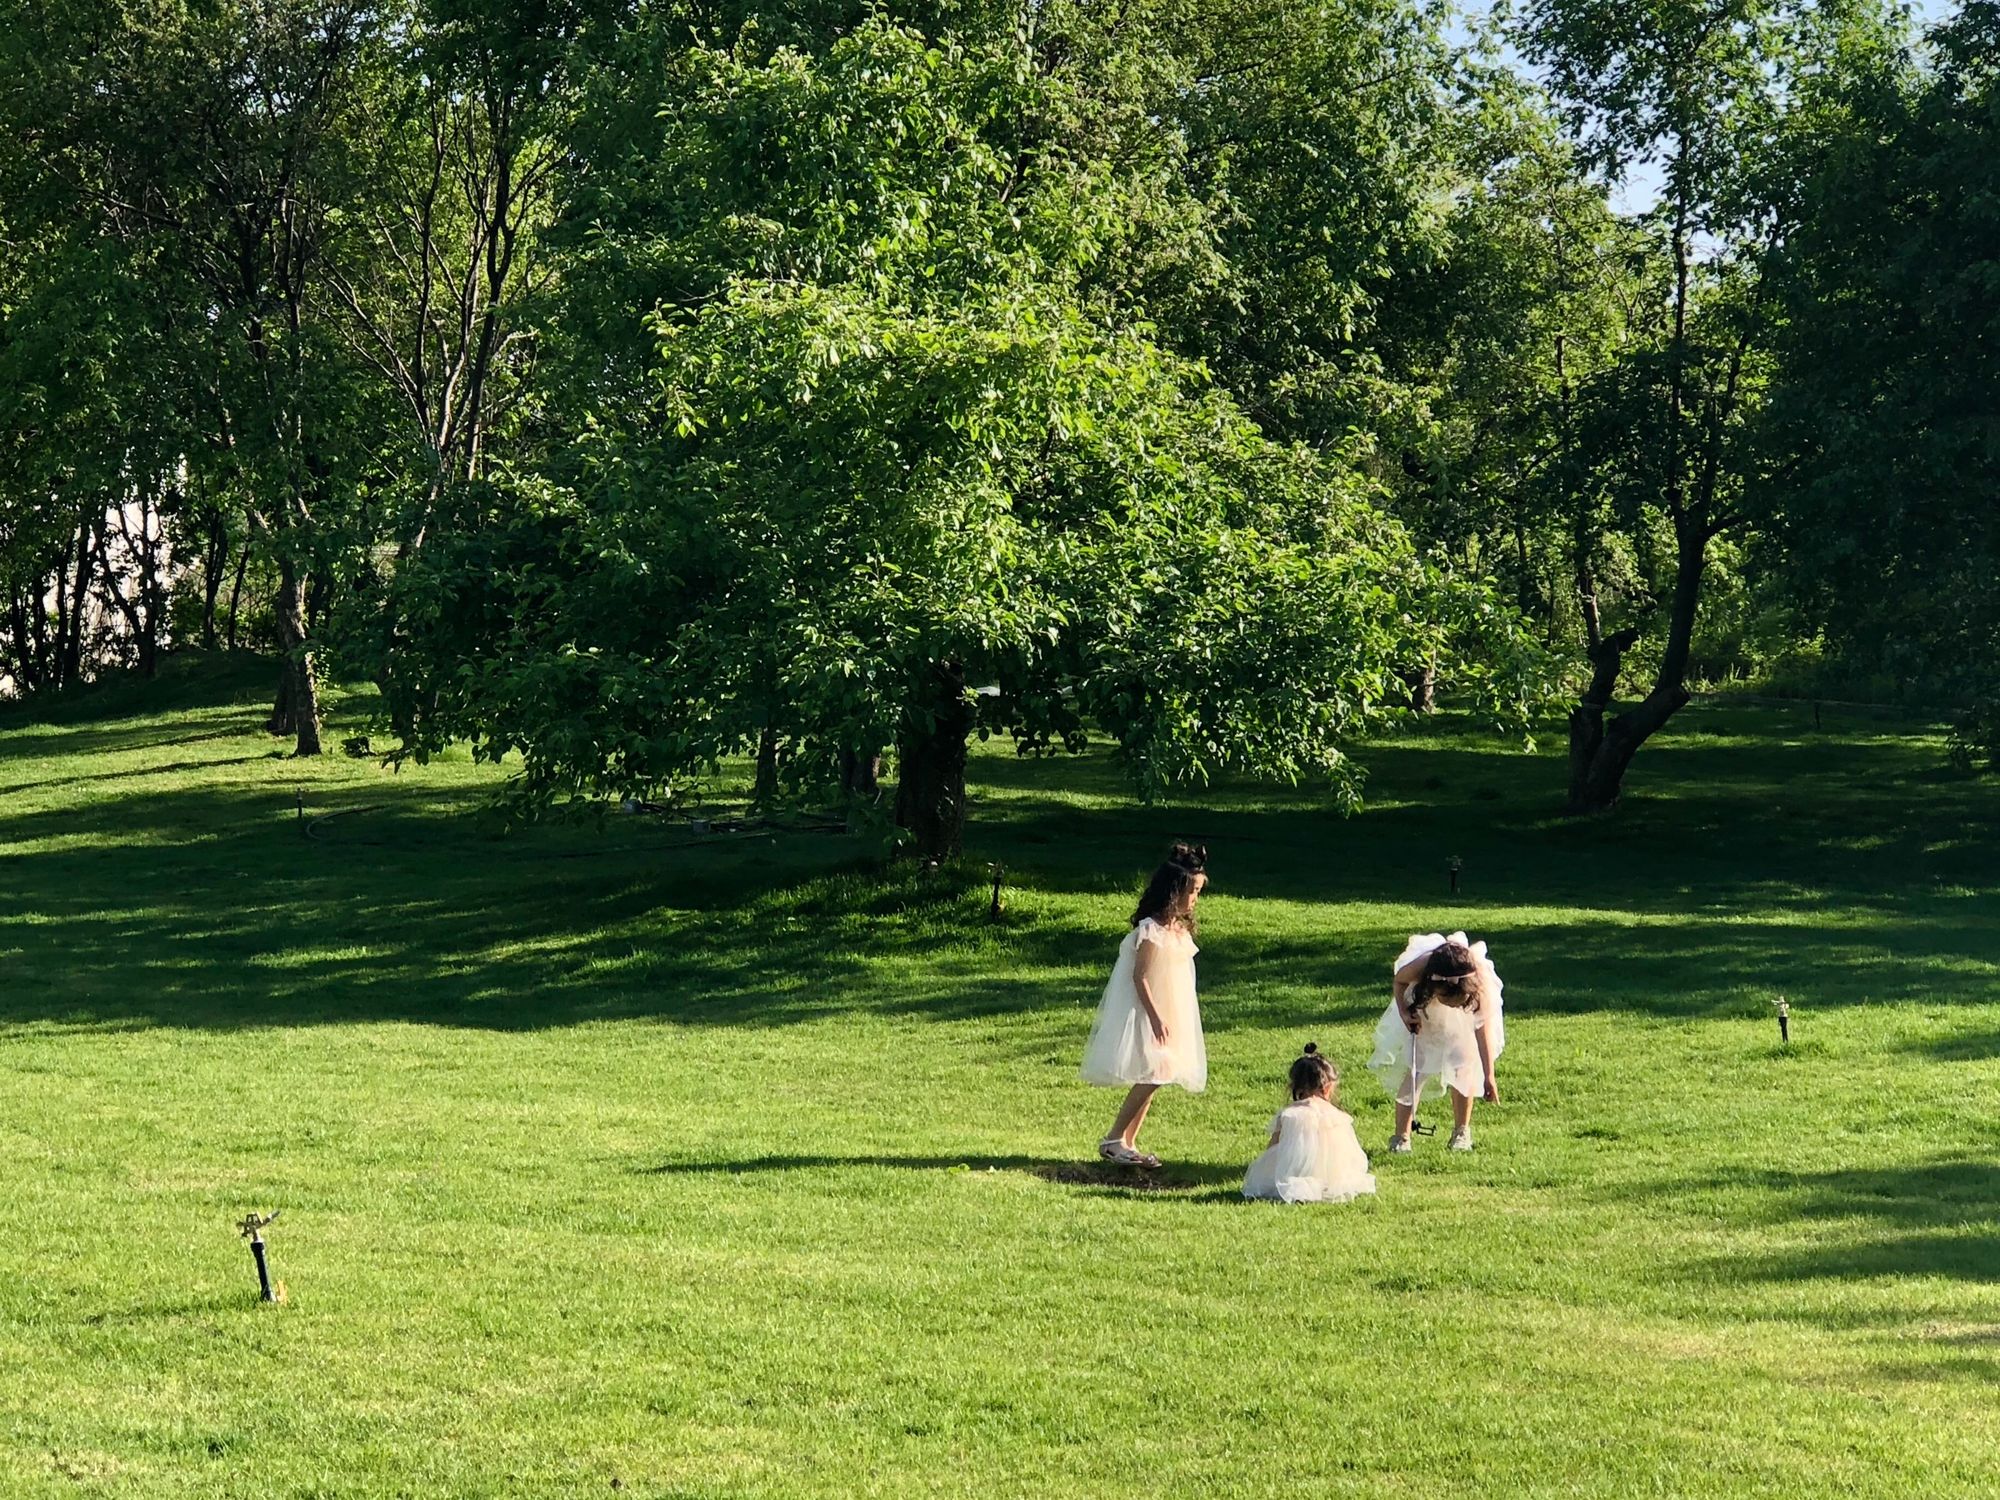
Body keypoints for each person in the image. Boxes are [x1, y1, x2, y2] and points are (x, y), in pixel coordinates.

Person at [1080, 843, 1208, 1166]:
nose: (1195, 899)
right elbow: (1141, 977)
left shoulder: (1176, 931)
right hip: (1149, 1011)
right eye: (1192, 891)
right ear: (1174, 890)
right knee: (1155, 1071)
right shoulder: (1151, 930)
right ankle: (1113, 1139)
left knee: (1159, 1073)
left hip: (1168, 1011)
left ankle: (1127, 1141)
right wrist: (1155, 1016)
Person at [1367, 932, 1504, 1153]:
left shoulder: (1478, 987)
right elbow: (1400, 981)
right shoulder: (1421, 967)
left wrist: (1489, 1076)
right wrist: (1404, 1013)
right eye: (1447, 1000)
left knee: (1464, 1066)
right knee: (1416, 1069)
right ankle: (1401, 1137)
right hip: (1426, 1008)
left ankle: (1461, 1132)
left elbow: (1482, 1030)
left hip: (1465, 1015)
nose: (1450, 1005)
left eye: (1454, 1002)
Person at [1242, 1044, 1376, 1203]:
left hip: (1296, 1172)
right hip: (1333, 1174)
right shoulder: (1337, 1116)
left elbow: (1273, 1147)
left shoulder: (1290, 1114)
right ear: (1327, 1088)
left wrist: (1266, 1169)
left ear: (1294, 1086)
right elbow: (1347, 1150)